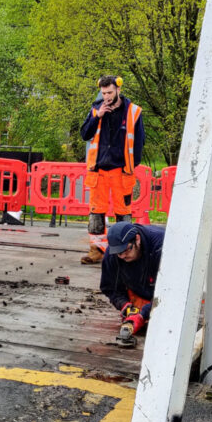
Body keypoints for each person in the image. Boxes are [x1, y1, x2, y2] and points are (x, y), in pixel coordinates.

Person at [79, 75, 145, 264]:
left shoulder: (133, 112)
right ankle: (97, 250)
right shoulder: (96, 109)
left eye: (109, 92)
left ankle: (125, 250)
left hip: (121, 171)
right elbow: (85, 134)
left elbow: (139, 142)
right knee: (96, 213)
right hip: (98, 170)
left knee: (123, 213)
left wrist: (131, 166)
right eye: (103, 93)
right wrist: (97, 116)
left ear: (118, 90)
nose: (106, 96)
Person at [100, 221, 165, 344]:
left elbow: (172, 291)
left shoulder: (161, 247)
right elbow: (109, 287)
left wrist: (143, 314)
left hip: (167, 293)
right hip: (140, 291)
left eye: (127, 250)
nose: (123, 255)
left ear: (137, 239)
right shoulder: (112, 253)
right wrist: (124, 305)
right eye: (119, 253)